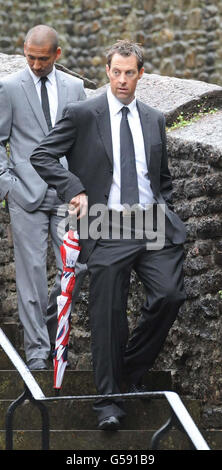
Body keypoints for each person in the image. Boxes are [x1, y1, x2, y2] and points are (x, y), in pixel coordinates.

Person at [30, 40, 186, 429]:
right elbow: (43, 155)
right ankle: (108, 403)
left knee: (170, 294)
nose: (122, 80)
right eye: (115, 72)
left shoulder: (154, 119)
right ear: (106, 72)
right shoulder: (83, 113)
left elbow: (161, 177)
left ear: (140, 75)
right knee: (108, 311)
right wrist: (74, 188)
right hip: (105, 222)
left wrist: (164, 207)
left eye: (129, 73)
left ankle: (127, 371)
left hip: (151, 222)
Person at [0, 25, 86, 370]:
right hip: (26, 195)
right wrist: (8, 185)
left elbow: (84, 141)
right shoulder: (8, 89)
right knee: (31, 273)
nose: (35, 65)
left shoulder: (75, 88)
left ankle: (50, 327)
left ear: (57, 55)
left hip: (67, 196)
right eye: (30, 58)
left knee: (77, 267)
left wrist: (82, 186)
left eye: (43, 59)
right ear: (24, 51)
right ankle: (37, 352)